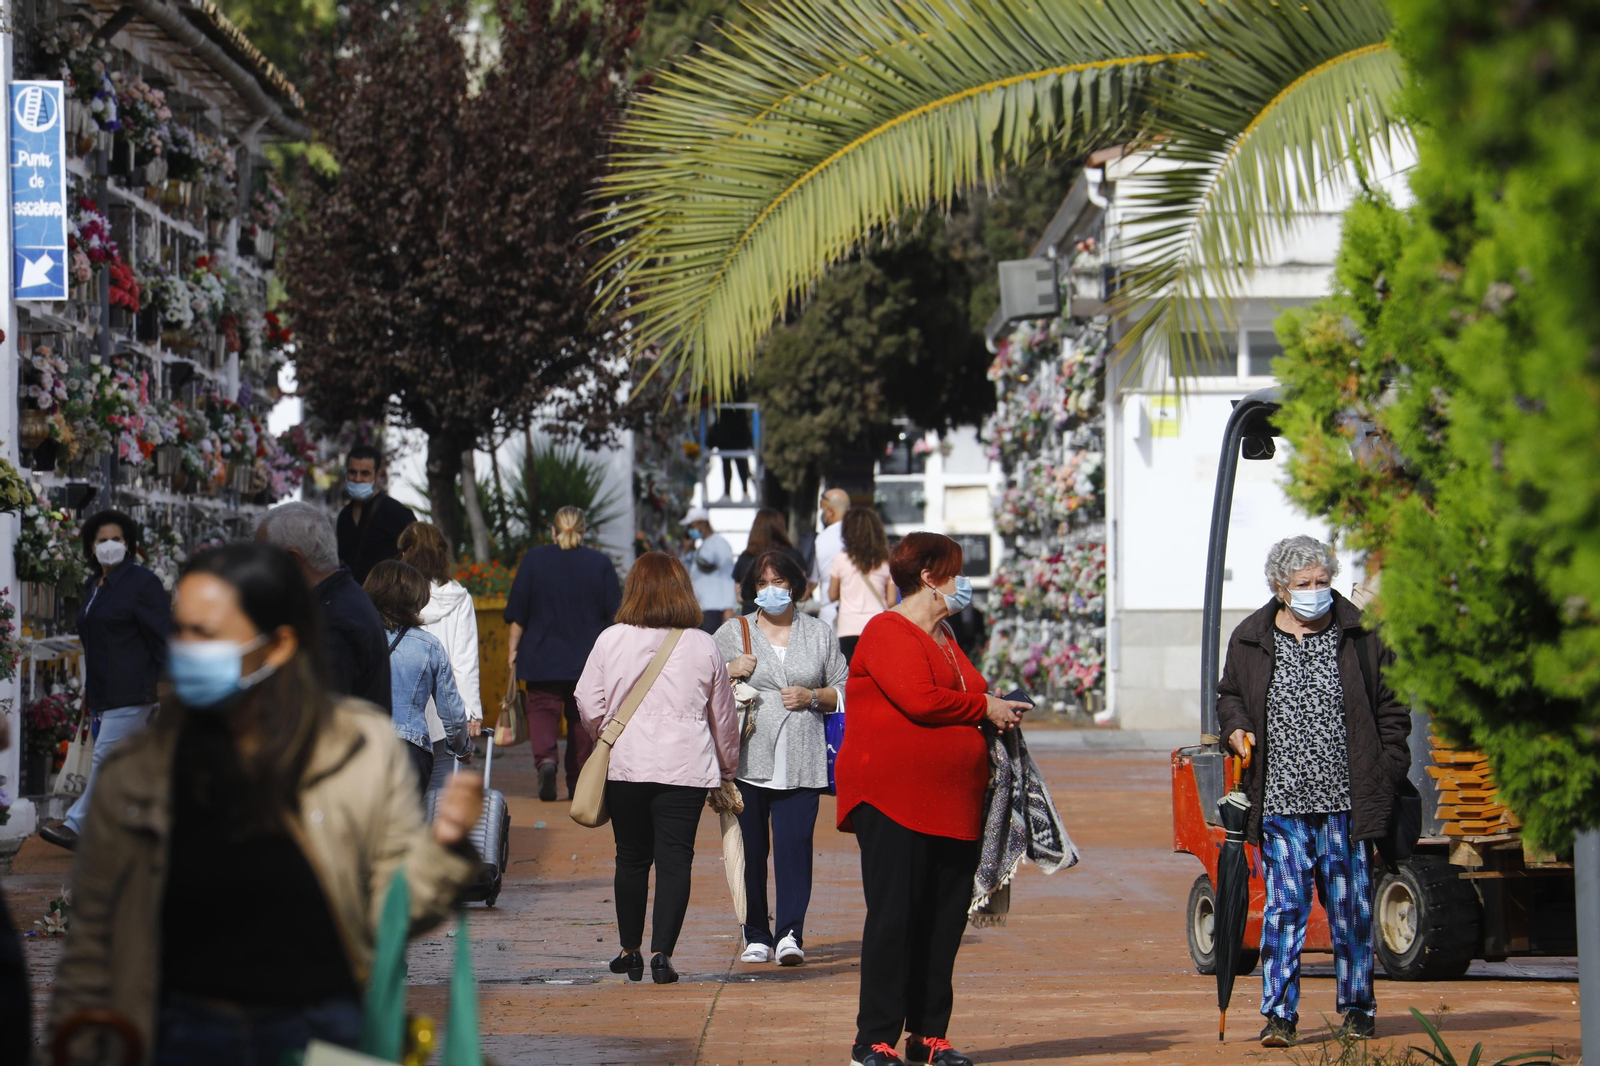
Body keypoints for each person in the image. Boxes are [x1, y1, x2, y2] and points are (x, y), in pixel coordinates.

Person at [49, 542, 483, 1065]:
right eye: (180, 630)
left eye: (207, 634)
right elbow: (94, 946)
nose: (185, 649)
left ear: (278, 644)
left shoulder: (356, 751)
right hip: (179, 1032)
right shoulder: (139, 771)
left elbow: (390, 906)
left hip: (322, 1032)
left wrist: (443, 847)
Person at [834, 532, 1028, 1066]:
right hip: (893, 798)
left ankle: (928, 1035)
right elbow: (920, 700)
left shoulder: (944, 634)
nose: (962, 581)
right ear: (929, 577)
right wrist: (985, 706)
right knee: (895, 917)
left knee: (943, 922)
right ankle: (872, 1040)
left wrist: (996, 704)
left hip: (954, 801)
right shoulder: (886, 629)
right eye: (955, 571)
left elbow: (968, 689)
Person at [1218, 535, 1411, 1048]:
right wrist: (1235, 728)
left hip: (1346, 801)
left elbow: (1393, 707)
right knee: (1285, 907)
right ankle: (1279, 1015)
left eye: (1322, 582)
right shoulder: (1251, 638)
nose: (1315, 591)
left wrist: (1387, 769)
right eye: (1304, 584)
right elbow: (1230, 695)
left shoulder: (1361, 635)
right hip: (1280, 800)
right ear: (1282, 589)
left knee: (1352, 909)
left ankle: (1357, 1008)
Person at [574, 552, 739, 985]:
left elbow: (587, 701)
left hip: (626, 763)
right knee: (675, 860)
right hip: (685, 767)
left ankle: (629, 950)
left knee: (630, 857)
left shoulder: (611, 639)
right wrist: (727, 769)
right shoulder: (703, 644)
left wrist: (604, 733)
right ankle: (663, 953)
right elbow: (723, 716)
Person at [715, 550, 846, 967]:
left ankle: (790, 932)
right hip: (748, 758)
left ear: (795, 585)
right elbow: (701, 681)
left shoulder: (820, 633)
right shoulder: (733, 632)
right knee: (751, 849)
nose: (770, 591)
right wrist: (732, 667)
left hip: (802, 759)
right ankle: (755, 932)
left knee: (794, 849)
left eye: (778, 583)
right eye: (761, 584)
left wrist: (814, 696)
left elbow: (844, 689)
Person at [41, 511, 170, 852]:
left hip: (133, 686)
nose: (110, 546)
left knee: (105, 758)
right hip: (102, 688)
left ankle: (77, 825)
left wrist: (165, 681)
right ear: (91, 545)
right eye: (102, 540)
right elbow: (94, 640)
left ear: (129, 544)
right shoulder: (93, 585)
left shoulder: (142, 583)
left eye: (117, 539)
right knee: (120, 761)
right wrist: (87, 688)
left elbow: (163, 635)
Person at [505, 506, 623, 802]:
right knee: (581, 717)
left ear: (554, 531)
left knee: (542, 709)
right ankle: (577, 778)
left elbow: (519, 613)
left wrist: (512, 649)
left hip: (541, 653)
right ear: (583, 532)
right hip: (587, 657)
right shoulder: (600, 563)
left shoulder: (534, 560)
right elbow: (616, 615)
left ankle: (546, 762)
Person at [259, 502, 391, 714]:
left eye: (264, 559)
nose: (260, 570)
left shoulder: (333, 621)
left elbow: (321, 716)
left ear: (293, 560)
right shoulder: (340, 598)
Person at [364, 561, 473, 795]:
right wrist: (461, 747)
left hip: (362, 746)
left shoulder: (356, 637)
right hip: (410, 751)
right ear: (417, 599)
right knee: (406, 824)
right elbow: (452, 711)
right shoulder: (429, 646)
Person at [398, 522, 483, 791]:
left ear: (407, 552)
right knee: (440, 795)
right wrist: (471, 713)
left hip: (400, 707)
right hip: (443, 710)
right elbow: (464, 659)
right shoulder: (458, 597)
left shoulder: (395, 593)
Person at [335, 443, 417, 586]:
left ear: (378, 475)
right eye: (352, 472)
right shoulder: (344, 516)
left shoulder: (397, 513)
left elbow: (416, 559)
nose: (358, 478)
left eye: (365, 473)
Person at [829, 506, 894, 664]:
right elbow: (891, 600)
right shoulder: (885, 561)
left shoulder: (841, 559)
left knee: (852, 674)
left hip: (848, 627)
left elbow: (831, 595)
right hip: (877, 625)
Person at [731, 508, 807, 615]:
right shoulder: (794, 556)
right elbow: (803, 591)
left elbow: (739, 596)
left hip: (751, 618)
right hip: (786, 619)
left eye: (778, 582)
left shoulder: (745, 558)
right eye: (762, 583)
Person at [680, 506, 737, 634]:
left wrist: (729, 607)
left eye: (692, 526)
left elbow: (728, 575)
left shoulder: (719, 544)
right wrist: (687, 549)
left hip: (715, 607)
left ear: (702, 523)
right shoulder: (701, 547)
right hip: (701, 607)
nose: (690, 530)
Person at [807, 488, 852, 629]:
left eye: (823, 510)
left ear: (831, 511)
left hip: (830, 613)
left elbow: (813, 581)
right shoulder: (863, 536)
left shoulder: (821, 538)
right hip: (862, 617)